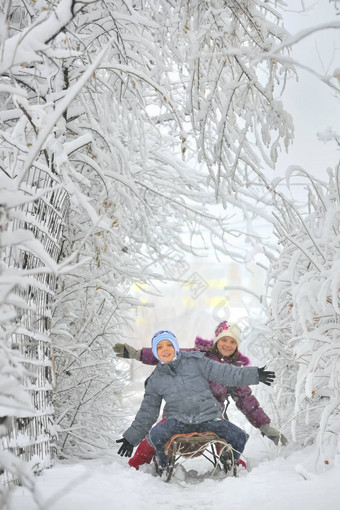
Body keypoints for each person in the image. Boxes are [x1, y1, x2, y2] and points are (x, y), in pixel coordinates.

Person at [114, 321, 287, 470]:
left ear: (237, 345)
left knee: (231, 437)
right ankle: (141, 464)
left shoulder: (232, 370)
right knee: (153, 437)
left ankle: (231, 462)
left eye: (232, 341)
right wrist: (136, 354)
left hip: (211, 415)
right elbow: (167, 351)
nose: (227, 344)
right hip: (178, 414)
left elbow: (247, 401)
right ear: (216, 340)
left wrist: (264, 426)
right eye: (224, 340)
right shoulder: (197, 356)